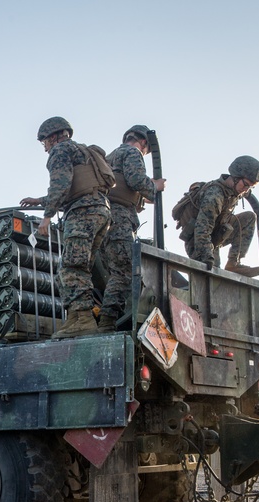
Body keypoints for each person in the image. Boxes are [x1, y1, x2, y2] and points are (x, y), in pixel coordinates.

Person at [20, 116, 111, 339]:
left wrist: (47, 216)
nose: (45, 149)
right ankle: (75, 318)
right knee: (81, 268)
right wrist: (40, 200)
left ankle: (83, 320)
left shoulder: (60, 151)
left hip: (82, 214)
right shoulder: (82, 151)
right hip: (100, 210)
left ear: (53, 137)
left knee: (70, 268)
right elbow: (77, 185)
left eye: (44, 143)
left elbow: (61, 184)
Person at [98, 125, 166, 333]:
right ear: (144, 143)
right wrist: (155, 186)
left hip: (104, 220)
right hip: (120, 220)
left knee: (115, 271)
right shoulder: (132, 152)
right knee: (125, 271)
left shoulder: (110, 157)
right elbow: (137, 180)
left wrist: (141, 198)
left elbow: (121, 186)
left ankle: (107, 318)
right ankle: (107, 321)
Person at [180, 156, 259, 277]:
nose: (246, 190)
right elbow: (202, 229)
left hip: (215, 235)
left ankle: (233, 263)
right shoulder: (215, 195)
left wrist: (246, 187)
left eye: (250, 187)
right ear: (235, 178)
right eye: (246, 185)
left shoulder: (233, 191)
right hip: (198, 242)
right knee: (213, 274)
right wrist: (207, 257)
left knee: (249, 218)